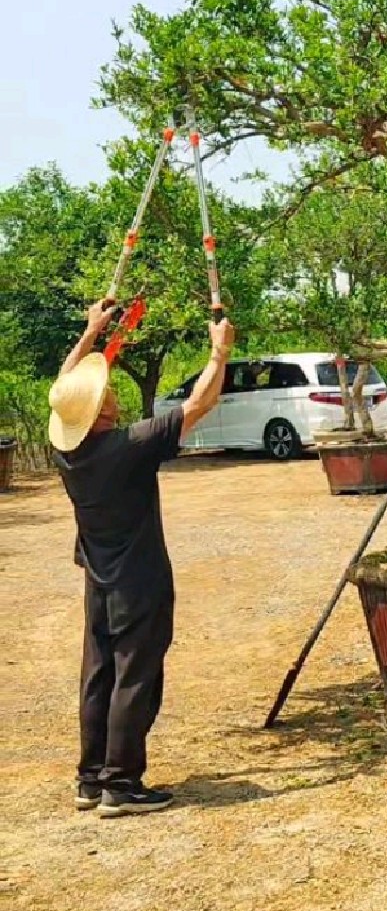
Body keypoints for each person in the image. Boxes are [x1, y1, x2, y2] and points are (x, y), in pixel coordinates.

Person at [48, 301, 235, 816]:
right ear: (102, 413)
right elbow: (199, 405)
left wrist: (91, 333)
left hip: (100, 579)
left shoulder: (68, 452)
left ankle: (91, 779)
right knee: (135, 675)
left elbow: (64, 388)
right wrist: (219, 355)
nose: (104, 389)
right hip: (139, 581)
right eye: (102, 392)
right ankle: (121, 784)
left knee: (99, 673)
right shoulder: (127, 447)